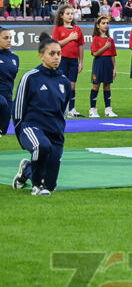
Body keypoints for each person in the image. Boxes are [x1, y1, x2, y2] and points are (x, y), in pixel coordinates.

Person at [11, 34, 72, 196]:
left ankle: (27, 170)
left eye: (58, 53)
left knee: (51, 185)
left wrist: (60, 133)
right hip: (32, 127)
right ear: (41, 56)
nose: (56, 57)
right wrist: (21, 134)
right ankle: (36, 186)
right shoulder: (30, 78)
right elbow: (17, 109)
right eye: (52, 54)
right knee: (41, 146)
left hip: (55, 133)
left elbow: (63, 111)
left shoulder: (65, 81)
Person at [51, 3, 84, 118]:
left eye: (72, 14)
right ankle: (61, 108)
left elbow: (80, 46)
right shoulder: (58, 29)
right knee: (61, 85)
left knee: (72, 85)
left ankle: (72, 109)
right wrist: (69, 38)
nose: (70, 16)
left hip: (74, 61)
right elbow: (55, 44)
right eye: (68, 14)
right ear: (61, 15)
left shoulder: (77, 29)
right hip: (62, 60)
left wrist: (81, 62)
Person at [87, 14, 117, 118]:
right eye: (103, 23)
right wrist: (105, 47)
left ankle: (108, 109)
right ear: (98, 25)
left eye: (107, 23)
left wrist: (115, 68)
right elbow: (94, 53)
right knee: (96, 85)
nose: (106, 25)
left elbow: (113, 55)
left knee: (107, 85)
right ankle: (92, 109)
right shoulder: (96, 38)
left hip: (108, 64)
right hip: (99, 64)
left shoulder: (110, 40)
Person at [0, 26, 18, 137]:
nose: (9, 40)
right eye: (5, 38)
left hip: (8, 96)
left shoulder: (14, 58)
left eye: (10, 38)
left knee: (3, 131)